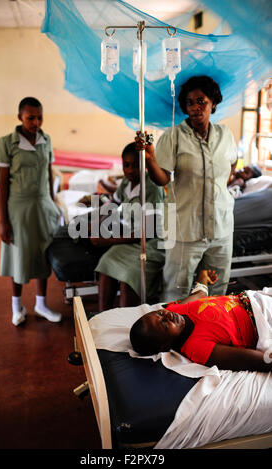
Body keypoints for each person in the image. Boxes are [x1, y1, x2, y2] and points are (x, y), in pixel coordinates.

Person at [135, 76, 238, 301]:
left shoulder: (225, 135)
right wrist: (151, 159)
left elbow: (232, 163)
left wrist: (220, 185)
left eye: (201, 101)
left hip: (220, 227)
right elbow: (162, 179)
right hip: (184, 229)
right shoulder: (174, 137)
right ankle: (170, 335)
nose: (195, 107)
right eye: (190, 103)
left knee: (217, 290)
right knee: (176, 289)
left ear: (213, 103)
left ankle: (212, 334)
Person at [0, 97, 62, 326]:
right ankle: (17, 307)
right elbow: (3, 184)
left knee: (42, 253)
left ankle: (41, 304)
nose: (36, 122)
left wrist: (54, 203)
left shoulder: (47, 139)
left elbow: (49, 173)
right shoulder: (7, 143)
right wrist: (3, 221)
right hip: (19, 208)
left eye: (39, 117)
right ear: (20, 117)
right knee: (19, 255)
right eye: (30, 118)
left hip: (42, 205)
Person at [130, 270, 272, 372]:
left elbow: (199, 295)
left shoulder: (176, 309)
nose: (168, 316)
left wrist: (203, 278)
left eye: (160, 313)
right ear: (165, 346)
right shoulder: (197, 348)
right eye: (165, 325)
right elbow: (250, 360)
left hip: (256, 297)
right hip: (264, 320)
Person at [93, 142, 166, 311]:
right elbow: (113, 204)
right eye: (127, 165)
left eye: (136, 165)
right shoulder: (126, 183)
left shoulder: (152, 188)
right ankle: (103, 318)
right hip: (133, 239)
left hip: (152, 243)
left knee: (128, 278)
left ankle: (126, 326)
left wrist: (108, 240)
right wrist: (97, 224)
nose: (131, 170)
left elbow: (148, 231)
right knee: (106, 263)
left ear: (145, 165)